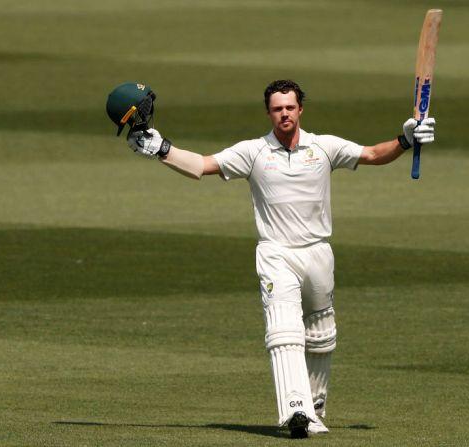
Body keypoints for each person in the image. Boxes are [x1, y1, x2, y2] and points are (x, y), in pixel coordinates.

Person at [122, 79, 435, 438]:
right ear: (269, 112)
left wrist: (406, 139)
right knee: (284, 329)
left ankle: (314, 410)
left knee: (321, 334)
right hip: (276, 254)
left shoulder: (324, 146)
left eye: (289, 107)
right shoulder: (254, 152)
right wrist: (162, 149)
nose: (284, 113)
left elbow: (372, 155)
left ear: (300, 109)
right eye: (277, 108)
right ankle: (295, 411)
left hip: (318, 252)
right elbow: (202, 166)